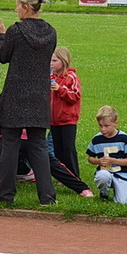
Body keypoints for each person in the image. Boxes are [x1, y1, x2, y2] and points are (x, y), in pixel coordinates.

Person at [0, 0, 57, 205]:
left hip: (16, 95)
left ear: (26, 6)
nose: (15, 9)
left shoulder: (16, 30)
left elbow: (2, 56)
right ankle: (47, 197)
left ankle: (5, 195)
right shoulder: (50, 32)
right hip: (39, 95)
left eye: (18, 5)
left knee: (10, 143)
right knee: (38, 145)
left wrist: (2, 35)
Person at [86, 106, 127, 204]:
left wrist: (113, 161)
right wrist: (98, 161)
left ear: (116, 123)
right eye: (100, 126)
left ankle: (122, 190)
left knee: (124, 202)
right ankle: (104, 192)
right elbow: (90, 158)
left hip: (121, 174)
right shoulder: (96, 139)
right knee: (102, 176)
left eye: (107, 126)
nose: (103, 129)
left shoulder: (124, 138)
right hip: (105, 172)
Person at [50, 47, 82, 177]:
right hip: (54, 119)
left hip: (68, 119)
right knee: (58, 150)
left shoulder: (71, 77)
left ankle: (74, 175)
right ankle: (63, 176)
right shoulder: (51, 77)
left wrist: (60, 89)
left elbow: (75, 96)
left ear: (63, 61)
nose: (51, 64)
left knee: (68, 149)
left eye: (54, 61)